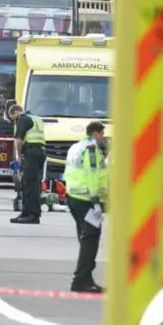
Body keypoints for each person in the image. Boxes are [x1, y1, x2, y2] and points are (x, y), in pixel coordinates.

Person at [64, 122, 107, 293]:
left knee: (86, 238)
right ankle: (81, 280)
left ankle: (87, 278)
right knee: (90, 239)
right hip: (87, 199)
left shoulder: (75, 147)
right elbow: (92, 175)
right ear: (96, 133)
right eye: (102, 134)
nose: (103, 137)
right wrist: (96, 201)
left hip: (74, 197)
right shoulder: (91, 149)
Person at [8, 104, 46, 224]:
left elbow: (18, 139)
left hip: (31, 153)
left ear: (16, 112)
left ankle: (33, 215)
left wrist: (19, 156)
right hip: (40, 152)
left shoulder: (22, 119)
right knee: (29, 183)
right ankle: (25, 212)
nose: (14, 121)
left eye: (13, 118)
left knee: (30, 185)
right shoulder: (36, 118)